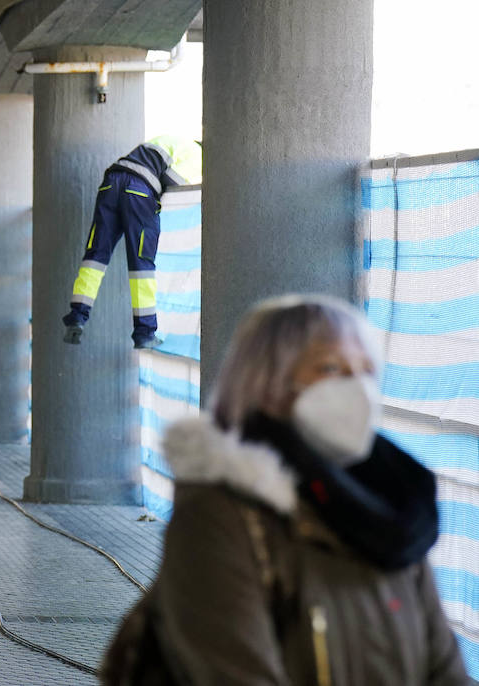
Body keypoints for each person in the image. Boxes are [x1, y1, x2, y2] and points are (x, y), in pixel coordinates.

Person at [102, 295, 470, 685]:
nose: (358, 388)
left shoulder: (394, 510)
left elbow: (446, 669)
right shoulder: (220, 516)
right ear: (268, 384)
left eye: (366, 370)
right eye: (331, 367)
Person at [62, 135, 201, 349]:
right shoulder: (196, 154)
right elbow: (174, 183)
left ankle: (77, 316)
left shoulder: (172, 139)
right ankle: (144, 332)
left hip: (110, 184)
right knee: (141, 266)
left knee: (95, 257)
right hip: (138, 191)